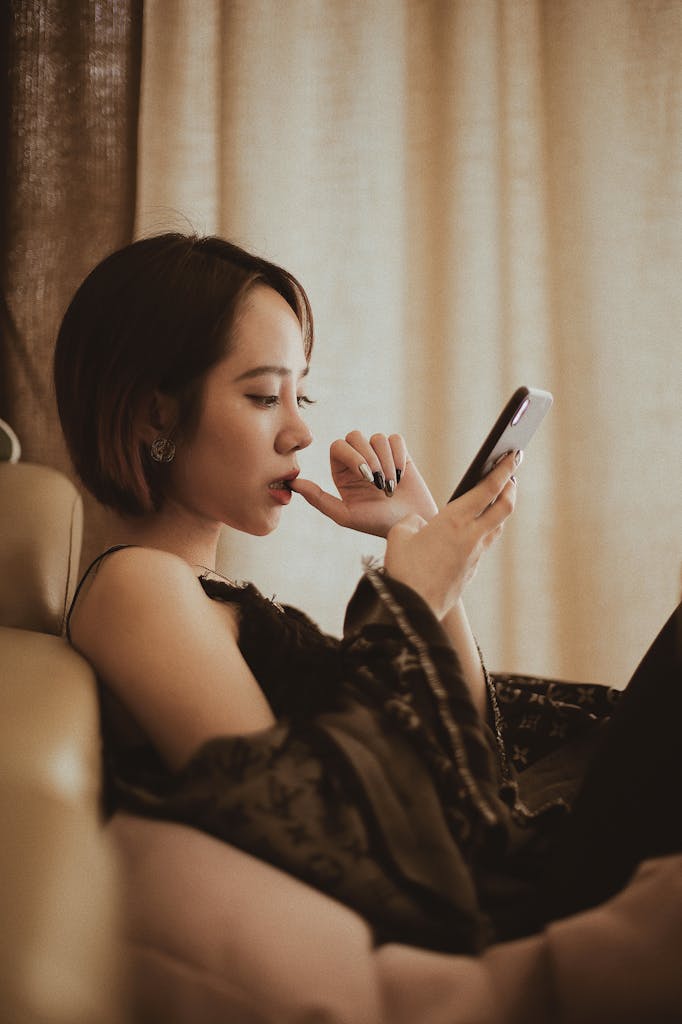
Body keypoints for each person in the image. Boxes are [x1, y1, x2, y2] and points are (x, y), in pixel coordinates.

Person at [54, 233, 680, 954]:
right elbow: (303, 820)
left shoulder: (198, 590)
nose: (300, 429)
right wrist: (406, 601)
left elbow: (476, 751)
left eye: (301, 392)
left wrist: (417, 544)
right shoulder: (135, 586)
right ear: (154, 414)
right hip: (493, 895)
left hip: (510, 856)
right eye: (263, 395)